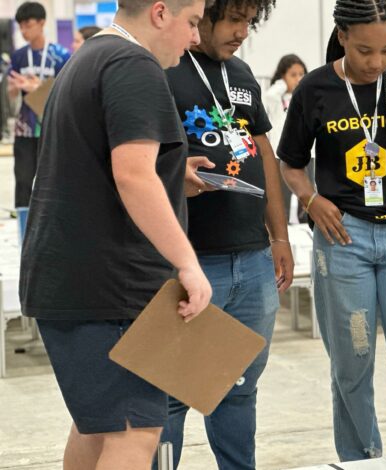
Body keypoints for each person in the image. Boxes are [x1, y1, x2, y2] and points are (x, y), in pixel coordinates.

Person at [19, 1, 212, 469]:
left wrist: (169, 171)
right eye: (192, 23)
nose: (195, 40)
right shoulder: (133, 65)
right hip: (109, 289)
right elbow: (132, 175)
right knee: (133, 433)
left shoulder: (87, 58)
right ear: (161, 13)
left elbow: (100, 163)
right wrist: (188, 263)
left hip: (72, 281)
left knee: (99, 428)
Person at [278, 0, 386, 461]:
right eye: (364, 51)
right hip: (342, 239)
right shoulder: (315, 88)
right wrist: (313, 200)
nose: (377, 63)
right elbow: (290, 164)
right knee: (352, 362)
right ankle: (362, 460)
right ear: (341, 36)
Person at [158, 1, 290, 469]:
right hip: (192, 261)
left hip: (252, 258)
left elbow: (264, 156)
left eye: (250, 22)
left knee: (239, 388)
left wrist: (280, 236)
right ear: (203, 16)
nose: (242, 31)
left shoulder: (242, 73)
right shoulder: (165, 71)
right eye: (233, 20)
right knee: (170, 393)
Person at [7, 2, 70, 210]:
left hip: (51, 127)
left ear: (42, 22)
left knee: (54, 180)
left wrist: (37, 87)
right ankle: (23, 228)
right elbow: (11, 91)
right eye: (21, 26)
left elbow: (66, 93)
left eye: (28, 25)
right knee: (23, 180)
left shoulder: (60, 56)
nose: (24, 31)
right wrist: (14, 89)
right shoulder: (18, 56)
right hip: (25, 128)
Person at [264, 53, 308, 222]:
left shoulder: (304, 97)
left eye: (301, 74)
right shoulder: (276, 99)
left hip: (306, 152)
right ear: (282, 76)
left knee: (306, 188)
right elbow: (269, 96)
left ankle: (305, 222)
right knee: (281, 192)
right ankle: (281, 224)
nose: (298, 79)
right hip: (280, 152)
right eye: (293, 74)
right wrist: (282, 84)